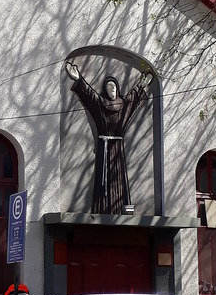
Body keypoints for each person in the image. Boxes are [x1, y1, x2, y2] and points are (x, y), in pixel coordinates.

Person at [65, 61, 152, 214]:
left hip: (117, 148)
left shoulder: (124, 104)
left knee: (119, 178)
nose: (112, 89)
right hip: (104, 147)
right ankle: (102, 208)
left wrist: (141, 85)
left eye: (114, 86)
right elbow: (90, 95)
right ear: (105, 90)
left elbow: (132, 97)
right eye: (108, 87)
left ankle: (120, 208)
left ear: (117, 88)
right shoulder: (100, 103)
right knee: (102, 180)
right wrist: (78, 78)